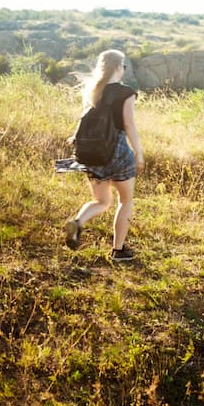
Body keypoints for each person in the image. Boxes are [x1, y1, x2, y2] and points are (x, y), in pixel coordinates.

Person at [64, 49, 144, 261]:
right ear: (118, 67)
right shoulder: (126, 92)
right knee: (125, 201)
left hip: (93, 155)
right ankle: (118, 250)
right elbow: (129, 125)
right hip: (118, 153)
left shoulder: (92, 90)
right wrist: (139, 153)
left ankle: (78, 223)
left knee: (101, 201)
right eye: (123, 66)